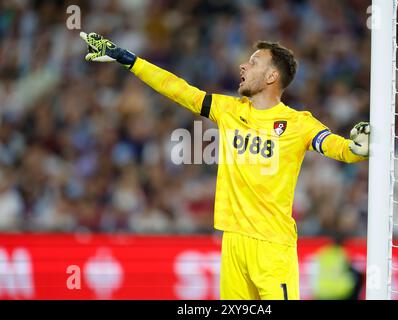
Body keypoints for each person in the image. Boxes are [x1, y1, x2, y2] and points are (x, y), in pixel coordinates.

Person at [80, 32, 370, 300]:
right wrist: (130, 60)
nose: (243, 66)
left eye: (254, 62)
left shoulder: (298, 123)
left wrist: (357, 149)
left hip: (272, 245)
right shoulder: (228, 109)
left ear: (272, 76)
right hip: (232, 241)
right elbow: (178, 89)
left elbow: (338, 147)